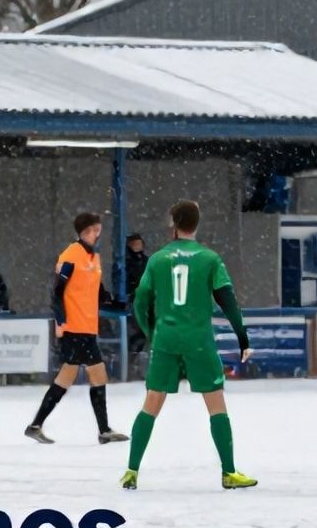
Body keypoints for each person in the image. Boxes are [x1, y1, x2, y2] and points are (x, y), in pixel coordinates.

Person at [121, 201, 257, 491]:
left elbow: (140, 300)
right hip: (198, 341)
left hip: (166, 339)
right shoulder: (209, 259)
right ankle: (229, 472)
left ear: (174, 223)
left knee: (151, 404)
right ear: (196, 224)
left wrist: (152, 333)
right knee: (216, 404)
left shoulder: (157, 259)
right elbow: (228, 301)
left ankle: (132, 470)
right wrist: (242, 337)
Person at [26, 214, 127, 445]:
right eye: (93, 230)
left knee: (65, 378)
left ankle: (35, 425)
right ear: (82, 232)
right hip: (75, 327)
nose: (97, 234)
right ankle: (103, 430)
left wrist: (113, 302)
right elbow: (57, 291)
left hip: (87, 326)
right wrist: (61, 318)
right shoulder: (70, 255)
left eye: (98, 230)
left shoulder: (94, 258)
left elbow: (97, 291)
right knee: (97, 373)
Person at [125, 233, 150, 354]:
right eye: (134, 244)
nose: (137, 246)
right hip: (134, 300)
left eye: (139, 243)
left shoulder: (147, 261)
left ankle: (135, 349)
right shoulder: (127, 262)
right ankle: (134, 349)